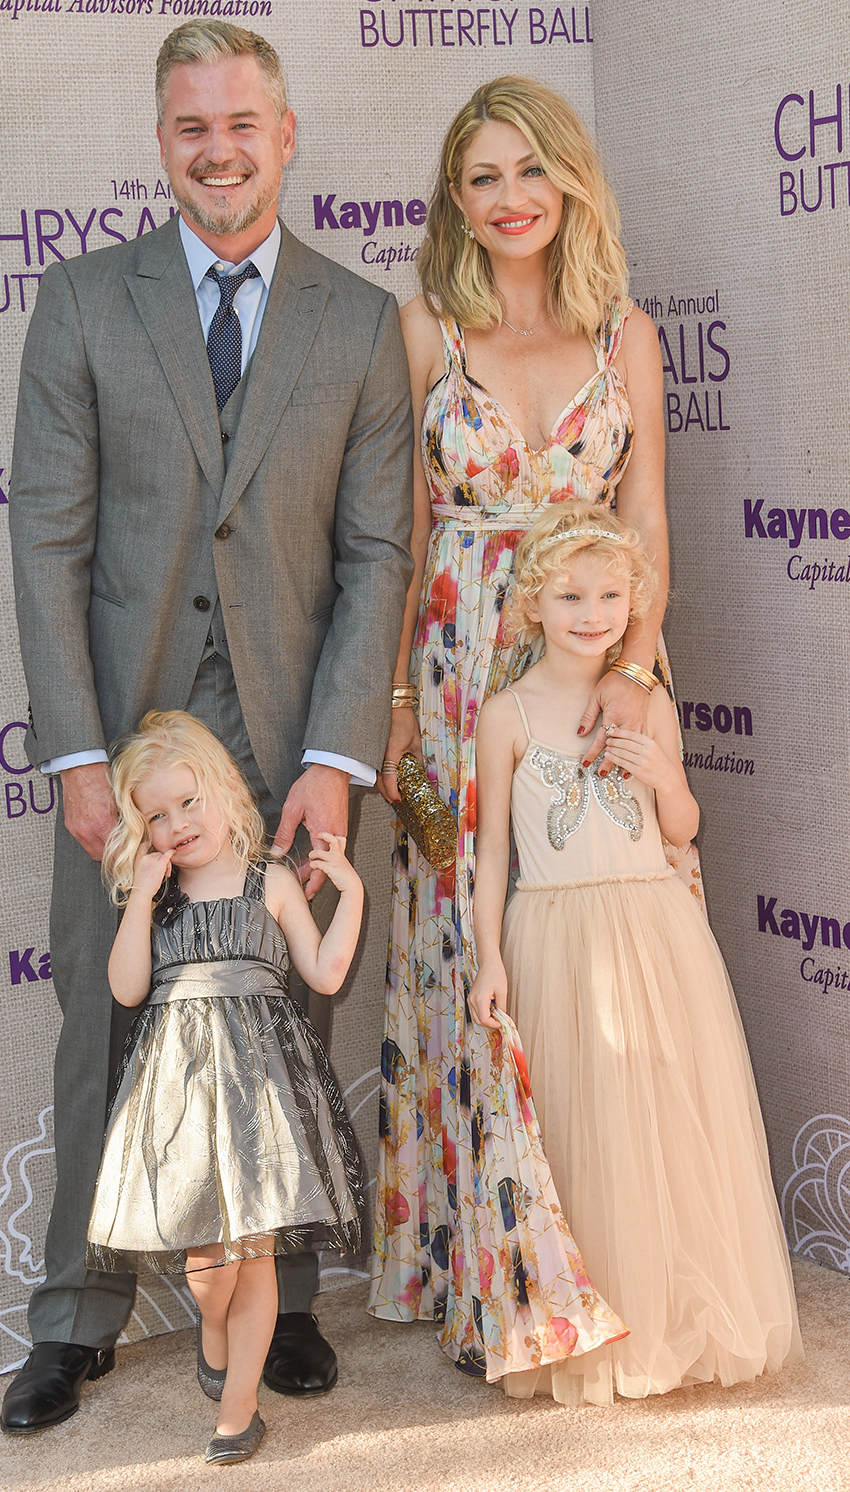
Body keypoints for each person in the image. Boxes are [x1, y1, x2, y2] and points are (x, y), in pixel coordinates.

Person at [3, 20, 413, 1432]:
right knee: (100, 1022)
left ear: (285, 136)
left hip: (293, 734)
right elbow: (48, 545)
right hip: (125, 747)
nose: (219, 149)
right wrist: (73, 754)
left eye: (242, 123)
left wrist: (341, 758)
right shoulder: (79, 304)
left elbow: (377, 555)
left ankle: (286, 1302)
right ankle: (76, 1314)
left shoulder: (360, 322)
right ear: (161, 143)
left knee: (287, 1013)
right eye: (192, 129)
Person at [368, 74, 700, 1371]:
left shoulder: (628, 337)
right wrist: (397, 701)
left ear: (570, 180)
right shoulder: (419, 334)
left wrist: (633, 664)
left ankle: (615, 1253)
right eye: (482, 177)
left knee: (605, 943)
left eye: (530, 172)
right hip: (457, 676)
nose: (511, 200)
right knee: (471, 950)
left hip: (595, 668)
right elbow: (395, 534)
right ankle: (484, 1267)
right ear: (456, 198)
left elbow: (653, 520)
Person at [469, 503, 801, 1402]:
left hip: (654, 929)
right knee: (584, 1124)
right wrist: (489, 955)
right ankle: (591, 1321)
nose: (591, 611)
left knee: (661, 1119)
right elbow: (491, 850)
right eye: (571, 594)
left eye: (611, 594)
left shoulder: (649, 700)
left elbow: (682, 830)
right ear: (535, 601)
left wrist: (664, 778)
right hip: (553, 930)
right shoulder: (504, 715)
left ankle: (672, 1315)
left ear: (634, 602)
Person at [84, 711, 365, 1464]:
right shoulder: (158, 895)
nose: (177, 825)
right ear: (140, 830)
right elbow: (126, 988)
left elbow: (326, 974)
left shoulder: (267, 880)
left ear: (222, 790)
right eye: (157, 815)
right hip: (181, 1091)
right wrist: (140, 896)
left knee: (257, 1253)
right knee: (212, 1272)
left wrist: (353, 893)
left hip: (263, 1089)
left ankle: (238, 1411)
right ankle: (211, 1332)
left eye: (189, 802)